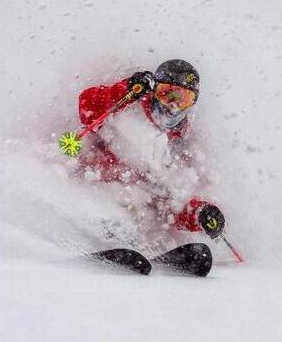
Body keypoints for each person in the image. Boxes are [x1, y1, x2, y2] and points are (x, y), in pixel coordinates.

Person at [77, 59, 225, 242]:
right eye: (166, 94)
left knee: (143, 207)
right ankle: (110, 231)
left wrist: (200, 213)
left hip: (140, 211)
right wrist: (127, 88)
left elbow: (174, 201)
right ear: (154, 92)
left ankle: (135, 242)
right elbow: (88, 106)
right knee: (123, 198)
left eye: (183, 99)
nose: (173, 105)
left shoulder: (183, 145)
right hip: (97, 186)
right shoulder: (131, 106)